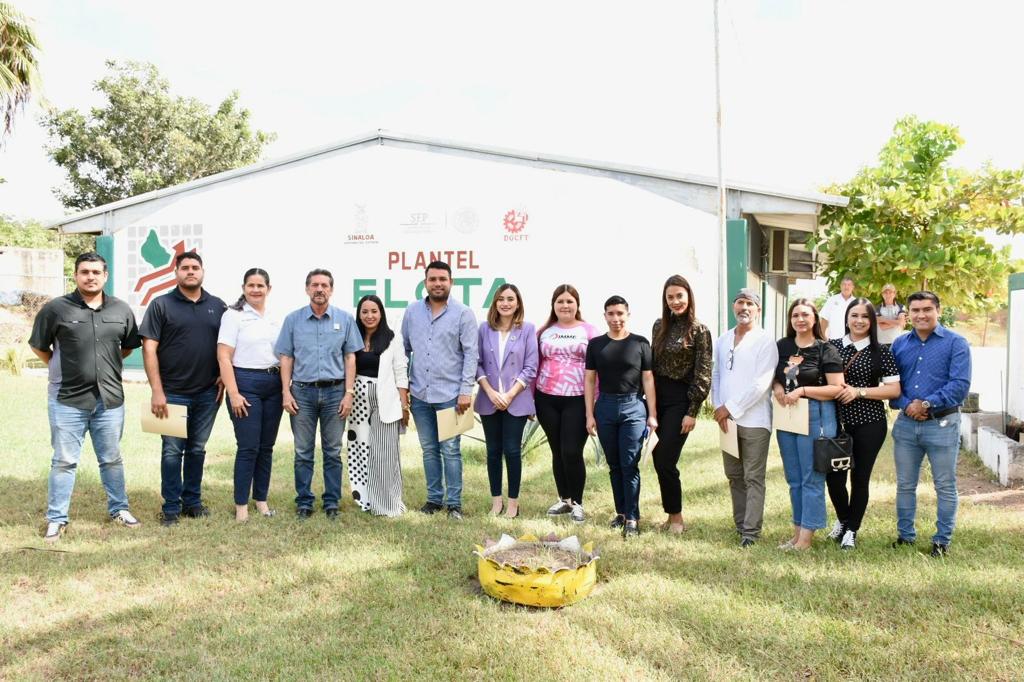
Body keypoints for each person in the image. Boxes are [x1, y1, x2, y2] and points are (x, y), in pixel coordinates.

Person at [29, 252, 143, 541]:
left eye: (95, 272)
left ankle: (119, 509)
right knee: (64, 461)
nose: (90, 277)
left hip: (110, 400)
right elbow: (39, 346)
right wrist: (60, 367)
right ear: (76, 275)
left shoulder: (121, 309)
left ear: (105, 276)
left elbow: (128, 346)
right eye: (84, 272)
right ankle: (56, 519)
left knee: (112, 458)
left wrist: (105, 364)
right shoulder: (55, 309)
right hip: (67, 399)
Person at [141, 252, 226, 526]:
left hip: (208, 393)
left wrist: (224, 376)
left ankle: (193, 503)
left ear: (203, 271)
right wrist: (156, 391)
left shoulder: (218, 306)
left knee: (197, 449)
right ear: (176, 272)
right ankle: (170, 508)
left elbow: (227, 346)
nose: (191, 271)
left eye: (195, 267)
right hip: (171, 393)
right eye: (185, 267)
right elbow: (149, 349)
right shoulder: (161, 305)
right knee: (171, 451)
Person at [889, 291, 971, 557]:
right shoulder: (899, 344)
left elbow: (959, 385)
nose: (921, 315)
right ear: (908, 314)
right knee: (905, 484)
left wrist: (925, 404)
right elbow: (891, 385)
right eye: (915, 310)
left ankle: (941, 541)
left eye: (927, 309)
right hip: (906, 425)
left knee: (944, 485)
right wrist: (908, 406)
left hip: (942, 423)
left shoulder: (956, 343)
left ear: (938, 310)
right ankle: (905, 536)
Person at [275, 268, 362, 519]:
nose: (319, 289)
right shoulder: (293, 320)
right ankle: (304, 501)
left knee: (333, 451)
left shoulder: (345, 319)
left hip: (336, 393)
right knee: (303, 451)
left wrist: (349, 393)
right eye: (315, 285)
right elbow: (286, 357)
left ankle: (331, 502)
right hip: (302, 393)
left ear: (331, 290)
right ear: (307, 289)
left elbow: (350, 357)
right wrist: (286, 392)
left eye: (324, 285)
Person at [401, 261, 478, 520]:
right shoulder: (412, 312)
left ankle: (454, 503)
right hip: (420, 395)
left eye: (442, 279)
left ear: (451, 282)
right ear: (425, 283)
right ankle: (434, 499)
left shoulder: (463, 314)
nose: (437, 283)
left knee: (451, 450)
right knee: (429, 449)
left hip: (452, 396)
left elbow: (471, 354)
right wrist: (404, 388)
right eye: (432, 279)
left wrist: (466, 391)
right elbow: (404, 350)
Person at [825, 298, 901, 549]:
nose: (859, 321)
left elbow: (894, 389)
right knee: (834, 477)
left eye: (865, 316)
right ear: (847, 318)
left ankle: (852, 531)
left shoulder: (881, 351)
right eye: (854, 315)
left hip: (869, 423)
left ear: (872, 321)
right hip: (836, 423)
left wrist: (859, 392)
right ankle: (843, 520)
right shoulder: (832, 347)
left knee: (860, 478)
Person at [772, 298, 844, 550]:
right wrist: (778, 386)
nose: (800, 319)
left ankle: (806, 539)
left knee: (811, 479)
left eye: (805, 314)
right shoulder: (782, 346)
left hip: (816, 415)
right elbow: (776, 376)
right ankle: (796, 534)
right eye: (795, 315)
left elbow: (837, 388)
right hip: (787, 416)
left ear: (814, 318)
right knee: (793, 478)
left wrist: (802, 391)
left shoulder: (826, 349)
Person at [585, 295, 658, 539]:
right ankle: (621, 513)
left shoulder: (640, 343)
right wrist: (589, 414)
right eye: (611, 314)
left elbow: (648, 379)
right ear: (605, 316)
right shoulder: (596, 345)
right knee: (614, 464)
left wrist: (652, 414)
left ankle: (633, 518)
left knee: (629, 464)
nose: (616, 318)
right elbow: (589, 380)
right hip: (605, 406)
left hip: (633, 407)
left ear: (628, 315)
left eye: (620, 313)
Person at [710, 288, 778, 548]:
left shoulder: (765, 340)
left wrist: (730, 408)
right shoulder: (723, 339)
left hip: (755, 421)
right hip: (727, 420)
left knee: (753, 477)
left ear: (758, 310)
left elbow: (762, 384)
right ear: (733, 307)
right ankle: (740, 525)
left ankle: (750, 533)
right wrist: (718, 406)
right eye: (740, 303)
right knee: (734, 475)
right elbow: (717, 375)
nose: (744, 308)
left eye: (750, 303)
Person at [216, 268, 283, 523]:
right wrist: (233, 393)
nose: (256, 290)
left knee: (266, 447)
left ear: (269, 288)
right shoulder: (233, 316)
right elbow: (224, 357)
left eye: (260, 285)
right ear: (243, 288)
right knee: (248, 447)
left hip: (273, 383)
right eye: (251, 285)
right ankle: (241, 505)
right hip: (245, 383)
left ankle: (261, 500)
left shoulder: (275, 316)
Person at [650, 275, 712, 534]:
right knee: (657, 456)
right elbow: (652, 365)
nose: (675, 301)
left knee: (665, 458)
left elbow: (703, 372)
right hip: (658, 398)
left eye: (679, 296)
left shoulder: (699, 330)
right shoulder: (659, 326)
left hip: (680, 399)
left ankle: (677, 518)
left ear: (689, 296)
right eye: (670, 297)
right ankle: (670, 515)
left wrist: (692, 411)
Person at [534, 284, 599, 524]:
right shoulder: (543, 332)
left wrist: (595, 403)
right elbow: (534, 364)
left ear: (577, 304)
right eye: (560, 301)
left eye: (569, 301)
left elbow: (597, 369)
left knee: (571, 451)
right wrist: (530, 400)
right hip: (546, 397)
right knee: (557, 450)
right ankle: (564, 499)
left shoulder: (589, 331)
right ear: (553, 305)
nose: (565, 305)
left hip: (578, 398)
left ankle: (578, 504)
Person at [474, 283, 538, 519]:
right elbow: (476, 362)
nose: (505, 303)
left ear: (518, 303)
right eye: (501, 299)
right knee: (493, 451)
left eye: (510, 299)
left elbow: (531, 367)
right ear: (495, 303)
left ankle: (513, 504)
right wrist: (490, 392)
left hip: (516, 400)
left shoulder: (528, 329)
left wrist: (509, 395)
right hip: (488, 399)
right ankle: (496, 502)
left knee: (511, 450)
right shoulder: (484, 329)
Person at [349, 294, 409, 517]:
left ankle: (387, 504)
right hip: (357, 401)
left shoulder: (392, 338)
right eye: (364, 311)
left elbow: (400, 372)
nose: (369, 316)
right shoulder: (353, 337)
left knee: (384, 454)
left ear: (381, 313)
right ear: (359, 314)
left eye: (374, 311)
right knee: (359, 450)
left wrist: (404, 406)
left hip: (386, 401)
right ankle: (364, 499)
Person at [820, 275, 856, 340]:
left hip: (851, 340)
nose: (846, 287)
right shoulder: (832, 300)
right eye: (844, 284)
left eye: (849, 285)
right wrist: (823, 337)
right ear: (840, 286)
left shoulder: (856, 302)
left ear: (853, 287)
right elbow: (824, 319)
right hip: (833, 338)